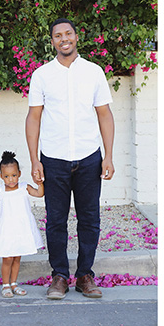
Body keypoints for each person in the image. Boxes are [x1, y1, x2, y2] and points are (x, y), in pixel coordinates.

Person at [25, 18, 115, 300]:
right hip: (53, 158)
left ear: (77, 37)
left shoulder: (93, 72)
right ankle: (60, 276)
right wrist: (34, 160)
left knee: (89, 219)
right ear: (52, 41)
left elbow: (104, 114)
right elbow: (34, 118)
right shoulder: (41, 75)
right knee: (55, 220)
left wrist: (108, 155)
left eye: (68, 33)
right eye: (57, 35)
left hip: (89, 157)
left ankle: (85, 276)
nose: (64, 38)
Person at [0, 151, 45, 297]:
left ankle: (14, 283)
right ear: (1, 176)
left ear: (19, 173)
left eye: (14, 175)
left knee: (17, 257)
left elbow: (39, 194)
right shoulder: (0, 191)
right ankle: (5, 285)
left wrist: (40, 184)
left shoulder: (24, 188)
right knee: (7, 258)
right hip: (7, 229)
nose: (11, 179)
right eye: (7, 176)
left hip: (21, 228)